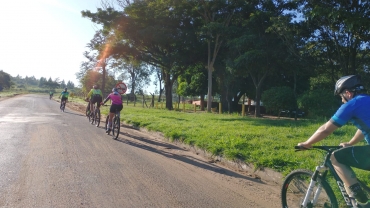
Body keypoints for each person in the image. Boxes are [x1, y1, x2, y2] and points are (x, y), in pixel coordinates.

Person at [298, 75, 370, 207]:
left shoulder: (352, 104)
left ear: (348, 93)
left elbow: (326, 129)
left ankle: (360, 200)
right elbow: (364, 128)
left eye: (341, 96)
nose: (342, 101)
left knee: (335, 157)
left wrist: (307, 143)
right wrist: (351, 143)